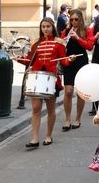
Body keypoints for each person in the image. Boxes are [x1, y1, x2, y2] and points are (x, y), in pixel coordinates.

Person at [18, 18, 66, 149]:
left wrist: (70, 60)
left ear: (52, 27)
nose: (45, 29)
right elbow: (30, 61)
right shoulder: (36, 43)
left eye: (48, 26)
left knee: (51, 109)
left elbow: (64, 61)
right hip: (36, 77)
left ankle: (48, 135)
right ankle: (34, 138)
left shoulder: (59, 43)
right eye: (43, 27)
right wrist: (19, 59)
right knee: (35, 108)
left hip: (51, 78)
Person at [61, 9, 95, 131]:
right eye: (71, 19)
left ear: (80, 19)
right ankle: (67, 119)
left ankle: (78, 118)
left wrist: (78, 38)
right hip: (69, 61)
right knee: (68, 91)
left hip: (81, 61)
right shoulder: (65, 31)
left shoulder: (87, 30)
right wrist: (63, 42)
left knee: (80, 92)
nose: (74, 22)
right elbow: (60, 48)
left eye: (76, 19)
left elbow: (90, 46)